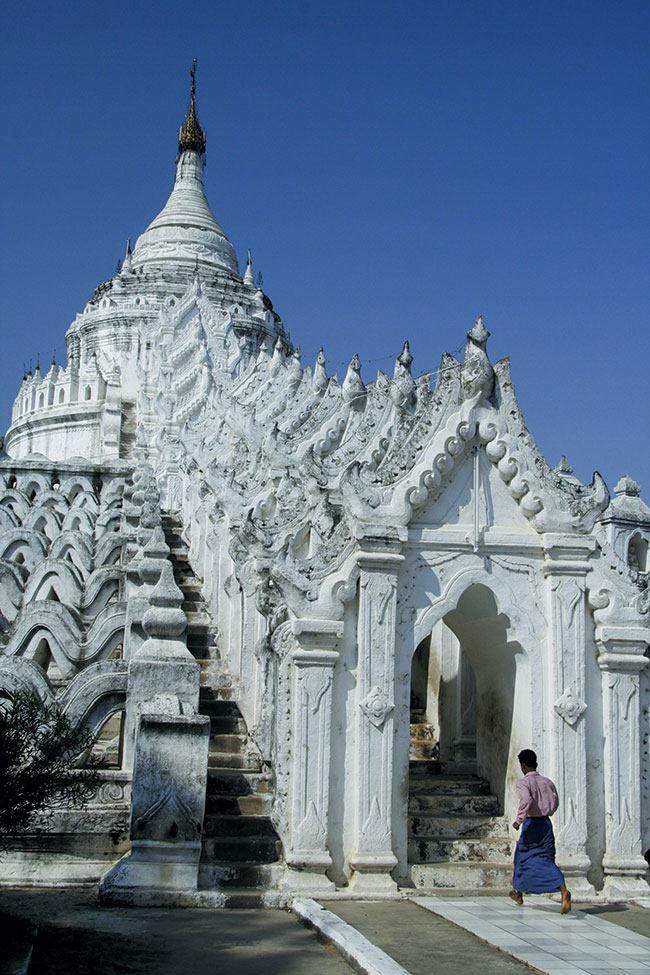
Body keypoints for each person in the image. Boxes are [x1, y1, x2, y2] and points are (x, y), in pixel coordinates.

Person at [510, 748, 571, 914]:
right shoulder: (547, 782)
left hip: (531, 824)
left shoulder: (524, 783)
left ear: (523, 766)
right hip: (545, 823)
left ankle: (518, 892)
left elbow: (526, 800)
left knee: (522, 857)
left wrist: (518, 820)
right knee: (546, 857)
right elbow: (555, 801)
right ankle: (563, 890)